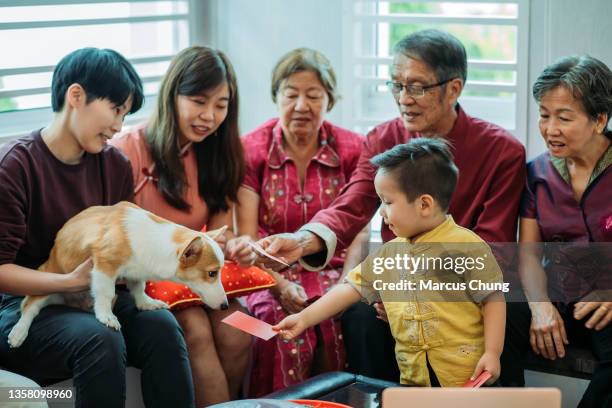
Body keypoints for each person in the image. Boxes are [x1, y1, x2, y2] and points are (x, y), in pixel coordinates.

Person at [258, 29, 526, 381]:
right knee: (358, 317)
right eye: (396, 85)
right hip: (397, 278)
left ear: (454, 89)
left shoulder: (502, 151)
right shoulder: (384, 139)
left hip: (462, 285)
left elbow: (493, 246)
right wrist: (304, 240)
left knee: (512, 310)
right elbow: (353, 203)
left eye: (416, 87)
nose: (403, 98)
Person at [0, 48, 195, 408]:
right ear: (76, 96)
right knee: (100, 338)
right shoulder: (16, 166)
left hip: (90, 295)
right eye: (115, 109)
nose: (119, 126)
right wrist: (67, 282)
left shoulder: (115, 166)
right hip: (22, 305)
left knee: (162, 326)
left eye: (125, 114)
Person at [274, 138, 506, 386]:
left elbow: (493, 299)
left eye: (387, 202)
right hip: (414, 381)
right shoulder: (390, 253)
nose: (381, 212)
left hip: (466, 378)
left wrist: (492, 352)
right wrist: (305, 319)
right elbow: (350, 288)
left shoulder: (466, 247)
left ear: (424, 204)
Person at [110, 46, 253, 406]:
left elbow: (221, 232)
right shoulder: (128, 151)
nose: (209, 115)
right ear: (173, 95)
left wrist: (236, 246)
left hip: (194, 282)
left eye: (221, 105)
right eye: (199, 101)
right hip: (139, 285)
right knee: (196, 330)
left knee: (243, 330)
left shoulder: (215, 153)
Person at [237, 48, 364, 396]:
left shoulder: (354, 148)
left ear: (330, 100)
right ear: (276, 97)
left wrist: (347, 283)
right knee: (276, 330)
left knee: (342, 322)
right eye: (291, 94)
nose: (301, 105)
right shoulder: (251, 149)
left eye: (313, 95)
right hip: (268, 272)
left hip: (337, 271)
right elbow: (247, 236)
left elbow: (360, 228)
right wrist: (278, 285)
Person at [500, 55, 612, 408]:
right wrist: (540, 307)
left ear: (599, 120)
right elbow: (529, 255)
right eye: (544, 115)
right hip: (559, 292)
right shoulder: (537, 173)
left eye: (564, 118)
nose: (550, 129)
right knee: (504, 310)